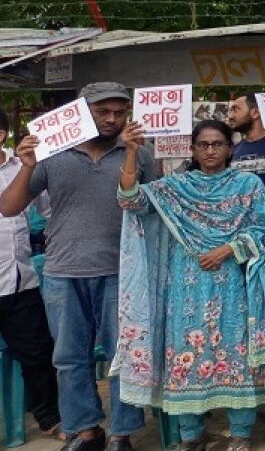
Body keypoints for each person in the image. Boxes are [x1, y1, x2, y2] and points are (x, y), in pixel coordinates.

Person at [0, 82, 150, 451]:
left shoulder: (140, 153)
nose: (113, 119)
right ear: (83, 111)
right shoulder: (50, 151)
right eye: (103, 112)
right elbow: (8, 206)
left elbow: (151, 208)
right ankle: (85, 431)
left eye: (119, 112)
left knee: (124, 354)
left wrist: (132, 155)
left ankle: (121, 433)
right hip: (63, 270)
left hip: (122, 270)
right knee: (68, 357)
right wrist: (27, 167)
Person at [113, 120, 265, 451]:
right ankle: (191, 435)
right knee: (186, 355)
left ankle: (241, 434)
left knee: (237, 355)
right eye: (203, 144)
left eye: (217, 144)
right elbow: (130, 199)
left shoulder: (248, 186)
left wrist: (227, 250)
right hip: (185, 289)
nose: (210, 150)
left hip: (233, 284)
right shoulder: (176, 187)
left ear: (230, 148)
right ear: (193, 149)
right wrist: (131, 151)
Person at [0, 110, 60, 438]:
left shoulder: (25, 166)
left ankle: (50, 417)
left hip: (19, 279)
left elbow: (50, 211)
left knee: (38, 353)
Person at [228, 93, 265, 198]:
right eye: (230, 111)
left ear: (255, 113)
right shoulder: (234, 150)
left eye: (236, 110)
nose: (230, 116)